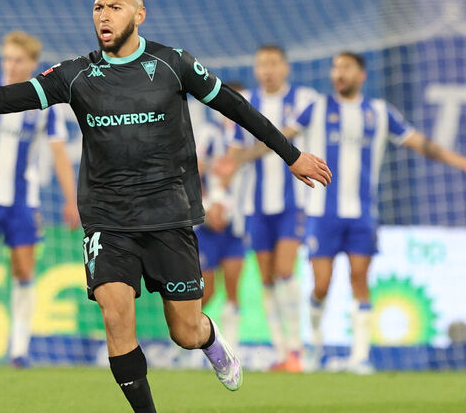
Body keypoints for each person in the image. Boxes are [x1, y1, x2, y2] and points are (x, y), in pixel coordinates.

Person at [0, 0, 332, 412]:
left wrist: (290, 156)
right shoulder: (76, 75)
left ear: (139, 14)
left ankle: (211, 341)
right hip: (108, 220)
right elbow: (6, 99)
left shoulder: (174, 64)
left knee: (185, 331)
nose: (103, 16)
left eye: (114, 7)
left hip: (169, 214)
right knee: (115, 313)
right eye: (97, 8)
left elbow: (235, 106)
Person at [267, 52, 466, 374]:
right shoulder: (316, 108)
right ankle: (314, 345)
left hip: (361, 214)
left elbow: (420, 143)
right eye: (335, 67)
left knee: (360, 279)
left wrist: (458, 161)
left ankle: (360, 357)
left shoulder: (380, 112)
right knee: (321, 285)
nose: (338, 73)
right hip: (321, 213)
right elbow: (279, 137)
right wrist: (239, 158)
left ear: (361, 75)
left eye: (346, 67)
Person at [0, 31, 79, 369]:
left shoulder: (45, 104)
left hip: (24, 200)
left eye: (18, 59)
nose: (10, 65)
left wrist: (71, 199)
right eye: (7, 58)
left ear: (33, 64)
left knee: (23, 271)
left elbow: (60, 153)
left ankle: (20, 348)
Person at [221, 46, 319, 371]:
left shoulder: (304, 99)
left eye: (273, 63)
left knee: (286, 270)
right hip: (255, 205)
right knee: (267, 279)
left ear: (286, 67)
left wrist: (247, 155)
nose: (268, 70)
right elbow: (233, 153)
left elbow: (284, 137)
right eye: (262, 63)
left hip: (293, 202)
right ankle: (283, 353)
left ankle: (298, 348)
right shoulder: (243, 104)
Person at [193, 95, 246, 350]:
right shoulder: (210, 132)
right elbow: (196, 171)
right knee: (207, 292)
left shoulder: (250, 137)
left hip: (235, 225)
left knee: (234, 288)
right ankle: (187, 340)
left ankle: (232, 348)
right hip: (208, 226)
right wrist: (208, 206)